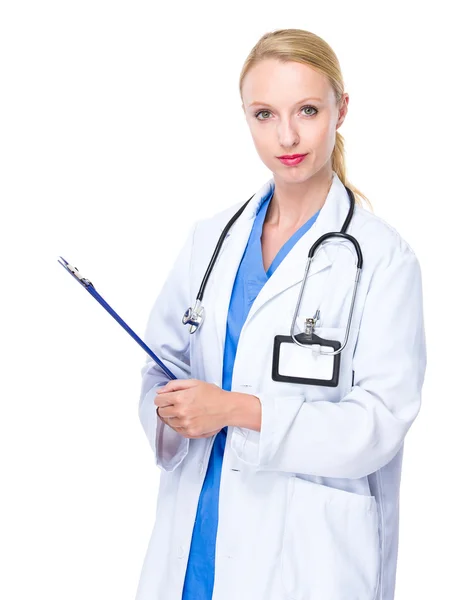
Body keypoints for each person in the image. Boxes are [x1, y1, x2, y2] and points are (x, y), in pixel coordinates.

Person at [135, 28, 426, 600]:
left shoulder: (383, 259)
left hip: (308, 557)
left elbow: (379, 422)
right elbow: (161, 364)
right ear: (245, 117)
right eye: (264, 114)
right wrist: (168, 408)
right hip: (198, 533)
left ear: (342, 110)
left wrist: (236, 409)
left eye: (308, 110)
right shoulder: (210, 239)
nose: (286, 136)